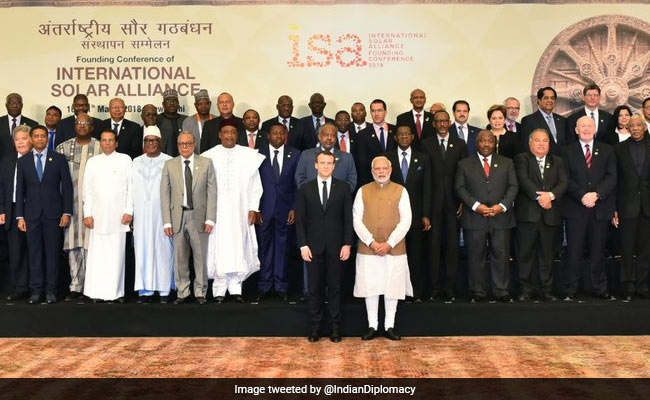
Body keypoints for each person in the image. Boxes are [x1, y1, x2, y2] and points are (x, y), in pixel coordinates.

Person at [202, 121, 264, 302]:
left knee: (239, 245)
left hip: (241, 210)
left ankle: (236, 287)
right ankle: (219, 288)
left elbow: (256, 185)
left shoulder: (248, 155)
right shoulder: (208, 156)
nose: (229, 136)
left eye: (233, 132)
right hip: (217, 212)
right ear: (219, 134)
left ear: (237, 135)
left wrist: (254, 208)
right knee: (218, 246)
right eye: (226, 132)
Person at [455, 130, 518, 302]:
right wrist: (477, 206)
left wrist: (501, 206)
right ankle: (478, 291)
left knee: (501, 255)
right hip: (475, 217)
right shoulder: (464, 164)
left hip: (501, 217)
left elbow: (513, 187)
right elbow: (460, 188)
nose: (486, 144)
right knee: (476, 257)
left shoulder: (507, 163)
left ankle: (501, 290)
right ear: (476, 143)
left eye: (490, 141)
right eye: (482, 141)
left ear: (495, 143)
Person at [296, 150, 353, 342]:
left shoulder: (343, 187)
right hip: (313, 248)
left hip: (337, 247)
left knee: (335, 288)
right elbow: (300, 221)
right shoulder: (305, 188)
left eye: (329, 163)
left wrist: (347, 243)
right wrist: (303, 245)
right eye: (322, 163)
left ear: (334, 166)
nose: (326, 166)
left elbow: (348, 219)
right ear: (315, 165)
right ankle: (315, 328)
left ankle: (335, 328)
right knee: (314, 289)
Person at [353, 156, 412, 341]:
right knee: (370, 286)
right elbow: (356, 220)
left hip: (393, 249)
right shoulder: (363, 191)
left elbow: (406, 220)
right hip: (368, 248)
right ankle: (372, 325)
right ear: (372, 171)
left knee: (392, 287)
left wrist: (389, 244)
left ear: (390, 169)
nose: (381, 171)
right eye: (377, 168)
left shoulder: (401, 191)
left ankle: (389, 326)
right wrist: (371, 242)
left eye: (384, 168)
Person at [16, 125, 73, 304]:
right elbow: (20, 191)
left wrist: (67, 211)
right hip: (31, 215)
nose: (40, 139)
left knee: (52, 254)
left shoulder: (58, 159)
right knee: (34, 254)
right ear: (31, 139)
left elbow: (67, 187)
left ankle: (51, 291)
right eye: (37, 136)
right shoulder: (23, 161)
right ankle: (36, 290)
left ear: (47, 138)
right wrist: (20, 216)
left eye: (43, 136)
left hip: (53, 214)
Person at [561, 116, 616, 301]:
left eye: (589, 126)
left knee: (598, 251)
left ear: (595, 129)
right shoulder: (567, 151)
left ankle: (599, 288)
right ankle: (570, 289)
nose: (586, 129)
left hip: (600, 208)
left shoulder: (607, 150)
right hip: (576, 208)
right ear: (576, 130)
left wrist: (596, 194)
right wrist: (582, 195)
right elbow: (565, 179)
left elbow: (611, 177)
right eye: (582, 126)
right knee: (574, 251)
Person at [161, 132, 216, 305]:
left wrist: (210, 218)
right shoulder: (169, 165)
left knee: (200, 256)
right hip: (177, 216)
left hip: (198, 216)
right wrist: (167, 221)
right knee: (180, 257)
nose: (184, 147)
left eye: (188, 143)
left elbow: (212, 192)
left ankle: (200, 291)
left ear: (194, 144)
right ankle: (182, 291)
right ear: (177, 145)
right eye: (181, 144)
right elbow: (165, 194)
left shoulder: (206, 163)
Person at [514, 129, 568, 301]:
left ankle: (546, 290)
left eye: (545, 140)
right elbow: (523, 181)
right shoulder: (522, 159)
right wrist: (541, 197)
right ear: (530, 143)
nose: (541, 143)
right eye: (537, 140)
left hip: (550, 215)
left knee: (547, 255)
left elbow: (563, 182)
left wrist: (550, 196)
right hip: (528, 215)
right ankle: (525, 290)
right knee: (525, 254)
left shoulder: (558, 161)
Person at [421, 110, 467, 301]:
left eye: (444, 121)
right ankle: (434, 287)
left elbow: (464, 173)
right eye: (438, 121)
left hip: (454, 204)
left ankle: (449, 287)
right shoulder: (426, 144)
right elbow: (424, 178)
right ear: (433, 124)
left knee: (452, 248)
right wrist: (424, 211)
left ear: (449, 123)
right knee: (433, 247)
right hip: (432, 205)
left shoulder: (460, 144)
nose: (441, 124)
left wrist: (463, 201)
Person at [82, 130, 133, 302]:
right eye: (104, 140)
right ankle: (96, 293)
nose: (107, 143)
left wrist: (129, 211)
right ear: (100, 143)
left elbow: (131, 187)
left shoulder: (125, 160)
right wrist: (87, 213)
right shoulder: (93, 162)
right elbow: (87, 190)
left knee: (116, 256)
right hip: (97, 217)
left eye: (111, 140)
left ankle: (116, 293)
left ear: (116, 143)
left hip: (118, 217)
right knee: (98, 256)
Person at [55, 113, 102, 301]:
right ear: (74, 126)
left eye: (86, 123)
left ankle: (92, 286)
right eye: (78, 123)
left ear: (92, 126)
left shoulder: (101, 147)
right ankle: (75, 286)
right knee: (74, 246)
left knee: (93, 246)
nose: (82, 126)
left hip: (95, 208)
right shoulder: (63, 148)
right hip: (71, 206)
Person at [384, 125, 432, 302]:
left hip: (416, 215)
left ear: (412, 137)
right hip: (392, 215)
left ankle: (415, 292)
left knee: (416, 254)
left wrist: (426, 214)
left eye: (407, 134)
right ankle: (395, 292)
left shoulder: (423, 158)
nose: (404, 137)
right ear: (395, 137)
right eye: (400, 134)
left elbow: (427, 188)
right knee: (394, 255)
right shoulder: (386, 158)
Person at [257, 123, 301, 301]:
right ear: (268, 136)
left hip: (285, 209)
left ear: (286, 136)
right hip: (264, 209)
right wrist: (256, 208)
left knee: (282, 248)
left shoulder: (295, 154)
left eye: (281, 133)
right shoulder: (257, 154)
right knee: (264, 248)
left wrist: (294, 207)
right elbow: (254, 183)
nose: (277, 136)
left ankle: (281, 285)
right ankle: (265, 285)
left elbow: (297, 184)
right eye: (274, 133)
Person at [132, 126, 175, 303]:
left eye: (154, 140)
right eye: (148, 140)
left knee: (164, 250)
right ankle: (145, 290)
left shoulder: (170, 162)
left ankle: (164, 289)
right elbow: (130, 189)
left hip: (162, 215)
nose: (151, 143)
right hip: (141, 215)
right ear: (144, 143)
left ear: (160, 142)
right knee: (142, 250)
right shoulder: (135, 162)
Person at [613, 115, 650, 301]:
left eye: (638, 125)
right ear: (627, 128)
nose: (635, 128)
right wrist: (614, 208)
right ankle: (627, 285)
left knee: (645, 250)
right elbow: (615, 180)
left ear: (644, 127)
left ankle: (642, 286)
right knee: (626, 248)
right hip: (626, 206)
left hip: (647, 207)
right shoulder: (619, 149)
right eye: (632, 126)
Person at [0, 125, 32, 301]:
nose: (20, 142)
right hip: (12, 210)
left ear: (31, 140)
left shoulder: (37, 159)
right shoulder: (7, 160)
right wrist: (2, 209)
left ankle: (35, 287)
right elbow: (2, 186)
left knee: (34, 250)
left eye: (24, 138)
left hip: (33, 210)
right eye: (17, 139)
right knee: (16, 251)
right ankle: (19, 288)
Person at [295, 123, 357, 192]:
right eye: (326, 135)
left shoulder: (347, 157)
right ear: (319, 137)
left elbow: (352, 181)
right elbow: (300, 178)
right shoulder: (306, 155)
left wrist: (338, 195)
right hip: (311, 200)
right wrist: (313, 195)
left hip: (338, 200)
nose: (329, 138)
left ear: (336, 138)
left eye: (333, 135)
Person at [357, 99, 397, 186]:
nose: (376, 114)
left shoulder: (395, 130)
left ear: (385, 112)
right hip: (371, 181)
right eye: (373, 111)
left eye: (379, 110)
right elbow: (362, 162)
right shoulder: (363, 134)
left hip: (394, 181)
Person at [520, 87, 568, 153]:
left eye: (552, 98)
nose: (549, 100)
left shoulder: (562, 120)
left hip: (562, 161)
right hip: (540, 161)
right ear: (539, 100)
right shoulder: (528, 120)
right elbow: (526, 146)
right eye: (546, 98)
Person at [1, 93, 37, 159]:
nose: (15, 105)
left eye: (18, 103)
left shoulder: (33, 124)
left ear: (22, 105)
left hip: (26, 161)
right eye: (11, 103)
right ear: (6, 105)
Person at [181, 89, 215, 153]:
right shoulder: (188, 122)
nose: (203, 106)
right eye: (200, 104)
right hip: (196, 160)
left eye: (206, 103)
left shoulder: (217, 120)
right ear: (195, 105)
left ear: (210, 104)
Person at [157, 89, 187, 157]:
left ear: (178, 103)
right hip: (162, 159)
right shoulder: (157, 120)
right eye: (168, 101)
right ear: (163, 104)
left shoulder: (186, 120)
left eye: (174, 101)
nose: (172, 104)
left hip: (183, 159)